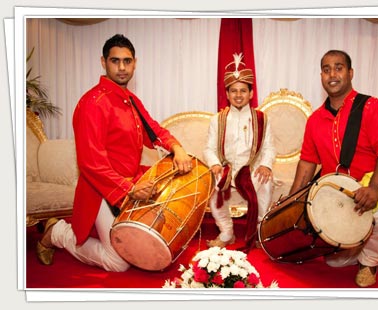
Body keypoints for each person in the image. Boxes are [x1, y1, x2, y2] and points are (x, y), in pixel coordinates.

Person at [36, 34, 193, 272]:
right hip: (100, 189)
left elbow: (154, 130)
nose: (122, 67)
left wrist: (177, 147)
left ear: (135, 63)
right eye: (115, 61)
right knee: (118, 263)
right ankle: (56, 233)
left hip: (130, 186)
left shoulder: (130, 100)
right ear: (103, 62)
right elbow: (90, 164)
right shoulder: (93, 103)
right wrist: (130, 189)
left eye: (127, 61)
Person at [289, 50, 378, 287]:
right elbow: (307, 163)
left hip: (371, 187)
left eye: (338, 67)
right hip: (337, 195)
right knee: (333, 263)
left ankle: (370, 259)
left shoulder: (372, 107)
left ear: (350, 72)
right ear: (321, 76)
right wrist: (291, 203)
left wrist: (374, 188)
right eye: (326, 69)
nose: (332, 74)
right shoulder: (315, 119)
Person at [203, 53, 276, 250]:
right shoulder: (218, 119)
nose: (238, 95)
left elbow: (269, 146)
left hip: (251, 169)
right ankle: (227, 232)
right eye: (233, 91)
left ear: (251, 93)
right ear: (227, 94)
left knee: (266, 181)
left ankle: (260, 230)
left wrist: (266, 165)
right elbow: (209, 148)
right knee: (212, 185)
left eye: (243, 90)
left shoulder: (262, 118)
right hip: (227, 169)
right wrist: (215, 164)